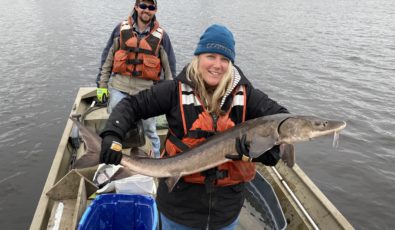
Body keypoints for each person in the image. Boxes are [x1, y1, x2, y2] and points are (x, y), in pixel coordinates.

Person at [99, 24, 289, 229]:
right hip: (178, 208)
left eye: (225, 59)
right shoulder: (174, 90)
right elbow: (132, 105)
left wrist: (264, 152)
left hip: (225, 213)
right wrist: (113, 133)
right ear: (198, 56)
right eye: (211, 56)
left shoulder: (247, 95)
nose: (217, 65)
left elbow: (282, 119)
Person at [96, 0, 176, 158]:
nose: (147, 10)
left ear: (155, 10)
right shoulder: (120, 30)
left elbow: (170, 70)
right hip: (119, 88)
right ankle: (113, 159)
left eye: (151, 7)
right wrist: (101, 86)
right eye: (143, 6)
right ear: (136, 7)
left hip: (146, 93)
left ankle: (156, 160)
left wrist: (168, 98)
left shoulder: (162, 37)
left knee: (150, 131)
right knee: (115, 125)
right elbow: (107, 60)